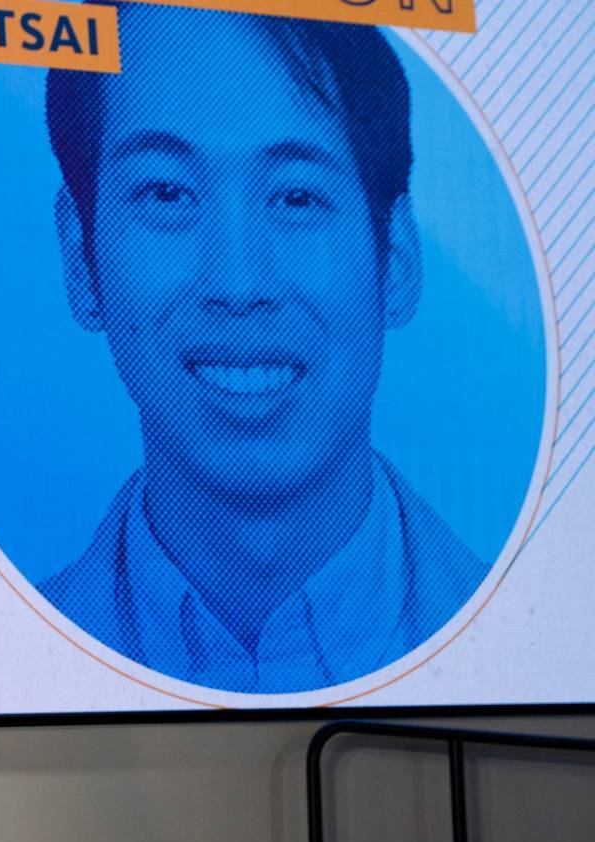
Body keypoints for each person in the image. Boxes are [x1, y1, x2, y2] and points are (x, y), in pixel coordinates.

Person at [36, 5, 484, 693]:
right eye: (166, 191)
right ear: (80, 258)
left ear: (394, 256)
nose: (238, 283)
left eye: (298, 197)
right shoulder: (20, 650)